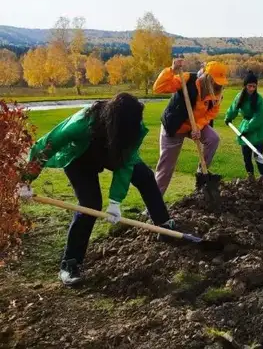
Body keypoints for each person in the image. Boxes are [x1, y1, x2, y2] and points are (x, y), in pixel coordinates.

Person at [19, 93, 175, 286]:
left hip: (113, 152)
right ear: (117, 122)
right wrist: (26, 180)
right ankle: (70, 264)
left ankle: (164, 224)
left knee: (145, 177)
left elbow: (126, 165)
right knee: (90, 204)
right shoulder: (81, 123)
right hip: (80, 158)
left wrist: (115, 201)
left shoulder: (133, 128)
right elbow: (46, 145)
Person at [153, 59, 228, 195]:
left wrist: (198, 127)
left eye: (220, 82)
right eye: (215, 81)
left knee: (213, 139)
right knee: (166, 167)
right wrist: (172, 70)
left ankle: (202, 171)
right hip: (175, 125)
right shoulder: (187, 79)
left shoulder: (217, 93)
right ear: (207, 77)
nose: (218, 85)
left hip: (196, 124)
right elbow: (158, 88)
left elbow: (212, 112)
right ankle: (153, 205)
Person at [224, 71, 263, 184]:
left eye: (254, 86)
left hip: (259, 130)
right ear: (245, 85)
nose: (252, 89)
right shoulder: (239, 97)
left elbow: (258, 117)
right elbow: (233, 108)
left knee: (258, 155)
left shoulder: (259, 100)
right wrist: (228, 117)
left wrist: (247, 129)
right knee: (246, 156)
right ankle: (250, 176)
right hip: (245, 129)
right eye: (249, 86)